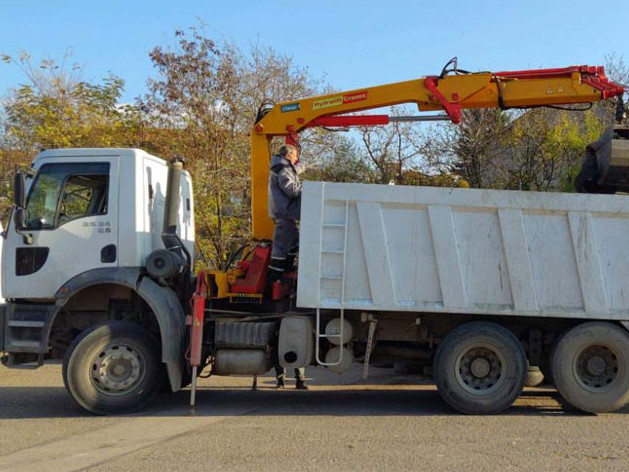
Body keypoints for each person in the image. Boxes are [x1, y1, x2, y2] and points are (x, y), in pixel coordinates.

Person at [268, 144, 308, 390]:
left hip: (287, 218)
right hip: (287, 217)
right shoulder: (283, 171)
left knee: (286, 251)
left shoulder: (283, 167)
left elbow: (294, 173)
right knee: (282, 254)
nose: (297, 160)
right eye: (295, 157)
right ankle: (289, 377)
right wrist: (307, 190)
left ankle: (286, 377)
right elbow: (292, 189)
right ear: (287, 155)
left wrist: (302, 167)